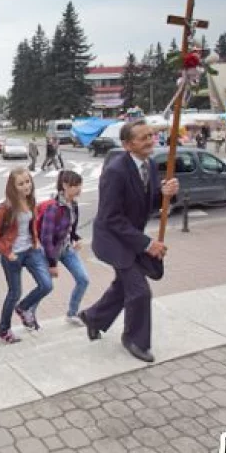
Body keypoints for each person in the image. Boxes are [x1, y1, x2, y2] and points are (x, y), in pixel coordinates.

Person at [79, 120, 178, 363]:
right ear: (127, 144)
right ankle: (134, 339)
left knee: (124, 286)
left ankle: (93, 318)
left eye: (150, 136)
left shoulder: (150, 164)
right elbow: (111, 218)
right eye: (143, 138)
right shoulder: (115, 171)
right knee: (140, 291)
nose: (149, 141)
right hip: (112, 240)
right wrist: (147, 243)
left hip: (130, 238)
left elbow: (151, 203)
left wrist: (166, 195)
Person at [0, 168, 51, 343]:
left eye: (28, 182)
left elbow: (31, 225)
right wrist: (8, 253)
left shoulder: (30, 201)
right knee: (14, 292)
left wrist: (36, 240)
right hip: (13, 255)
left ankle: (23, 308)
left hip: (31, 251)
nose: (26, 186)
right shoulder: (6, 208)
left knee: (46, 285)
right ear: (13, 187)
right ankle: (3, 331)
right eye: (21, 184)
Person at [40, 170, 91, 324]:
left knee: (83, 279)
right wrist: (52, 264)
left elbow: (71, 229)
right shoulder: (53, 207)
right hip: (51, 252)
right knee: (44, 286)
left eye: (80, 185)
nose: (80, 189)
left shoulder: (74, 205)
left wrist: (77, 239)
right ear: (65, 186)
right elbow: (46, 238)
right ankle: (28, 313)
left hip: (67, 249)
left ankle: (71, 313)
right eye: (76, 185)